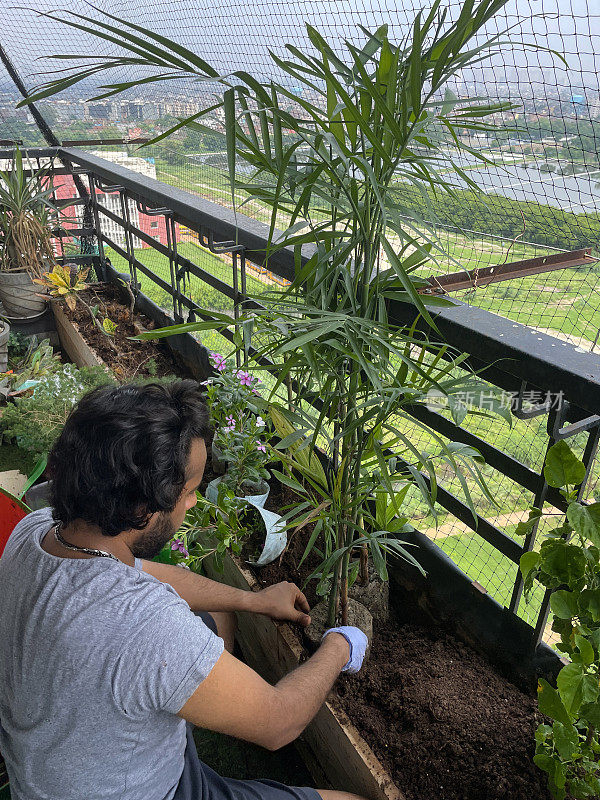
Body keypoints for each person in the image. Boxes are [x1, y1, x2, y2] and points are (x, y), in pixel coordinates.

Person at [0, 380, 369, 800]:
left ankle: (201, 700)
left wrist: (251, 600)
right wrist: (342, 644)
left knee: (220, 618)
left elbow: (143, 573)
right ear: (142, 508)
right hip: (144, 792)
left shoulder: (37, 530)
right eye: (189, 491)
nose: (192, 504)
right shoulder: (146, 629)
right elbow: (279, 723)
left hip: (46, 772)